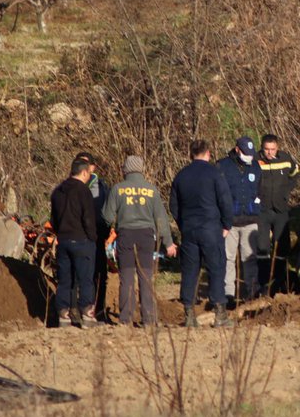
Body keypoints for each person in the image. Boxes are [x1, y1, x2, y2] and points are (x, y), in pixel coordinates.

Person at [102, 156, 177, 327]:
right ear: (142, 170)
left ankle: (125, 319)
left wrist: (104, 233)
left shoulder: (117, 189)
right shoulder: (152, 190)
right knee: (146, 277)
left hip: (126, 236)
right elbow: (161, 220)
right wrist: (169, 243)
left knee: (126, 278)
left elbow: (107, 217)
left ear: (125, 170)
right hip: (146, 237)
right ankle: (149, 319)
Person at [170, 140, 235, 328]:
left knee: (190, 271)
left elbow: (173, 205)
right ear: (208, 153)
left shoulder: (181, 176)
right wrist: (227, 224)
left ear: (191, 154)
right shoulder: (215, 173)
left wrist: (183, 224)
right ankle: (220, 314)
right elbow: (225, 200)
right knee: (216, 268)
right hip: (211, 228)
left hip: (189, 230)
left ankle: (189, 314)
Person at [50, 160, 98, 328]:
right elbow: (88, 218)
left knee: (64, 280)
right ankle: (87, 315)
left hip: (63, 241)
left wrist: (60, 233)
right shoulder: (83, 191)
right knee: (85, 279)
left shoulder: (57, 192)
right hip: (82, 241)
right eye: (89, 174)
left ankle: (63, 315)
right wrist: (93, 238)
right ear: (84, 173)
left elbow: (53, 219)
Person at [217, 137, 262, 302]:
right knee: (228, 259)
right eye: (245, 153)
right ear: (237, 150)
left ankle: (252, 292)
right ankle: (228, 294)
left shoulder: (256, 166)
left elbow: (260, 189)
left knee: (250, 258)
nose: (248, 157)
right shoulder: (222, 166)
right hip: (230, 222)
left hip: (251, 220)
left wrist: (258, 207)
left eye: (251, 153)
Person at [256, 134, 299, 295]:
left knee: (281, 246)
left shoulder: (286, 159)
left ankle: (281, 282)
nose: (269, 152)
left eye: (272, 149)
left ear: (278, 148)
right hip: (262, 210)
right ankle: (263, 283)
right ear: (262, 148)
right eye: (266, 149)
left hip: (281, 209)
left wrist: (286, 192)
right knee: (262, 247)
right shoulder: (256, 160)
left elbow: (295, 174)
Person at [74, 151, 111, 321]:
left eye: (86, 163)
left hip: (95, 237)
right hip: (77, 236)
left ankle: (99, 311)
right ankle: (76, 311)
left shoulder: (99, 187)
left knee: (99, 276)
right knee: (76, 275)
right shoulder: (69, 186)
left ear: (93, 167)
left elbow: (101, 213)